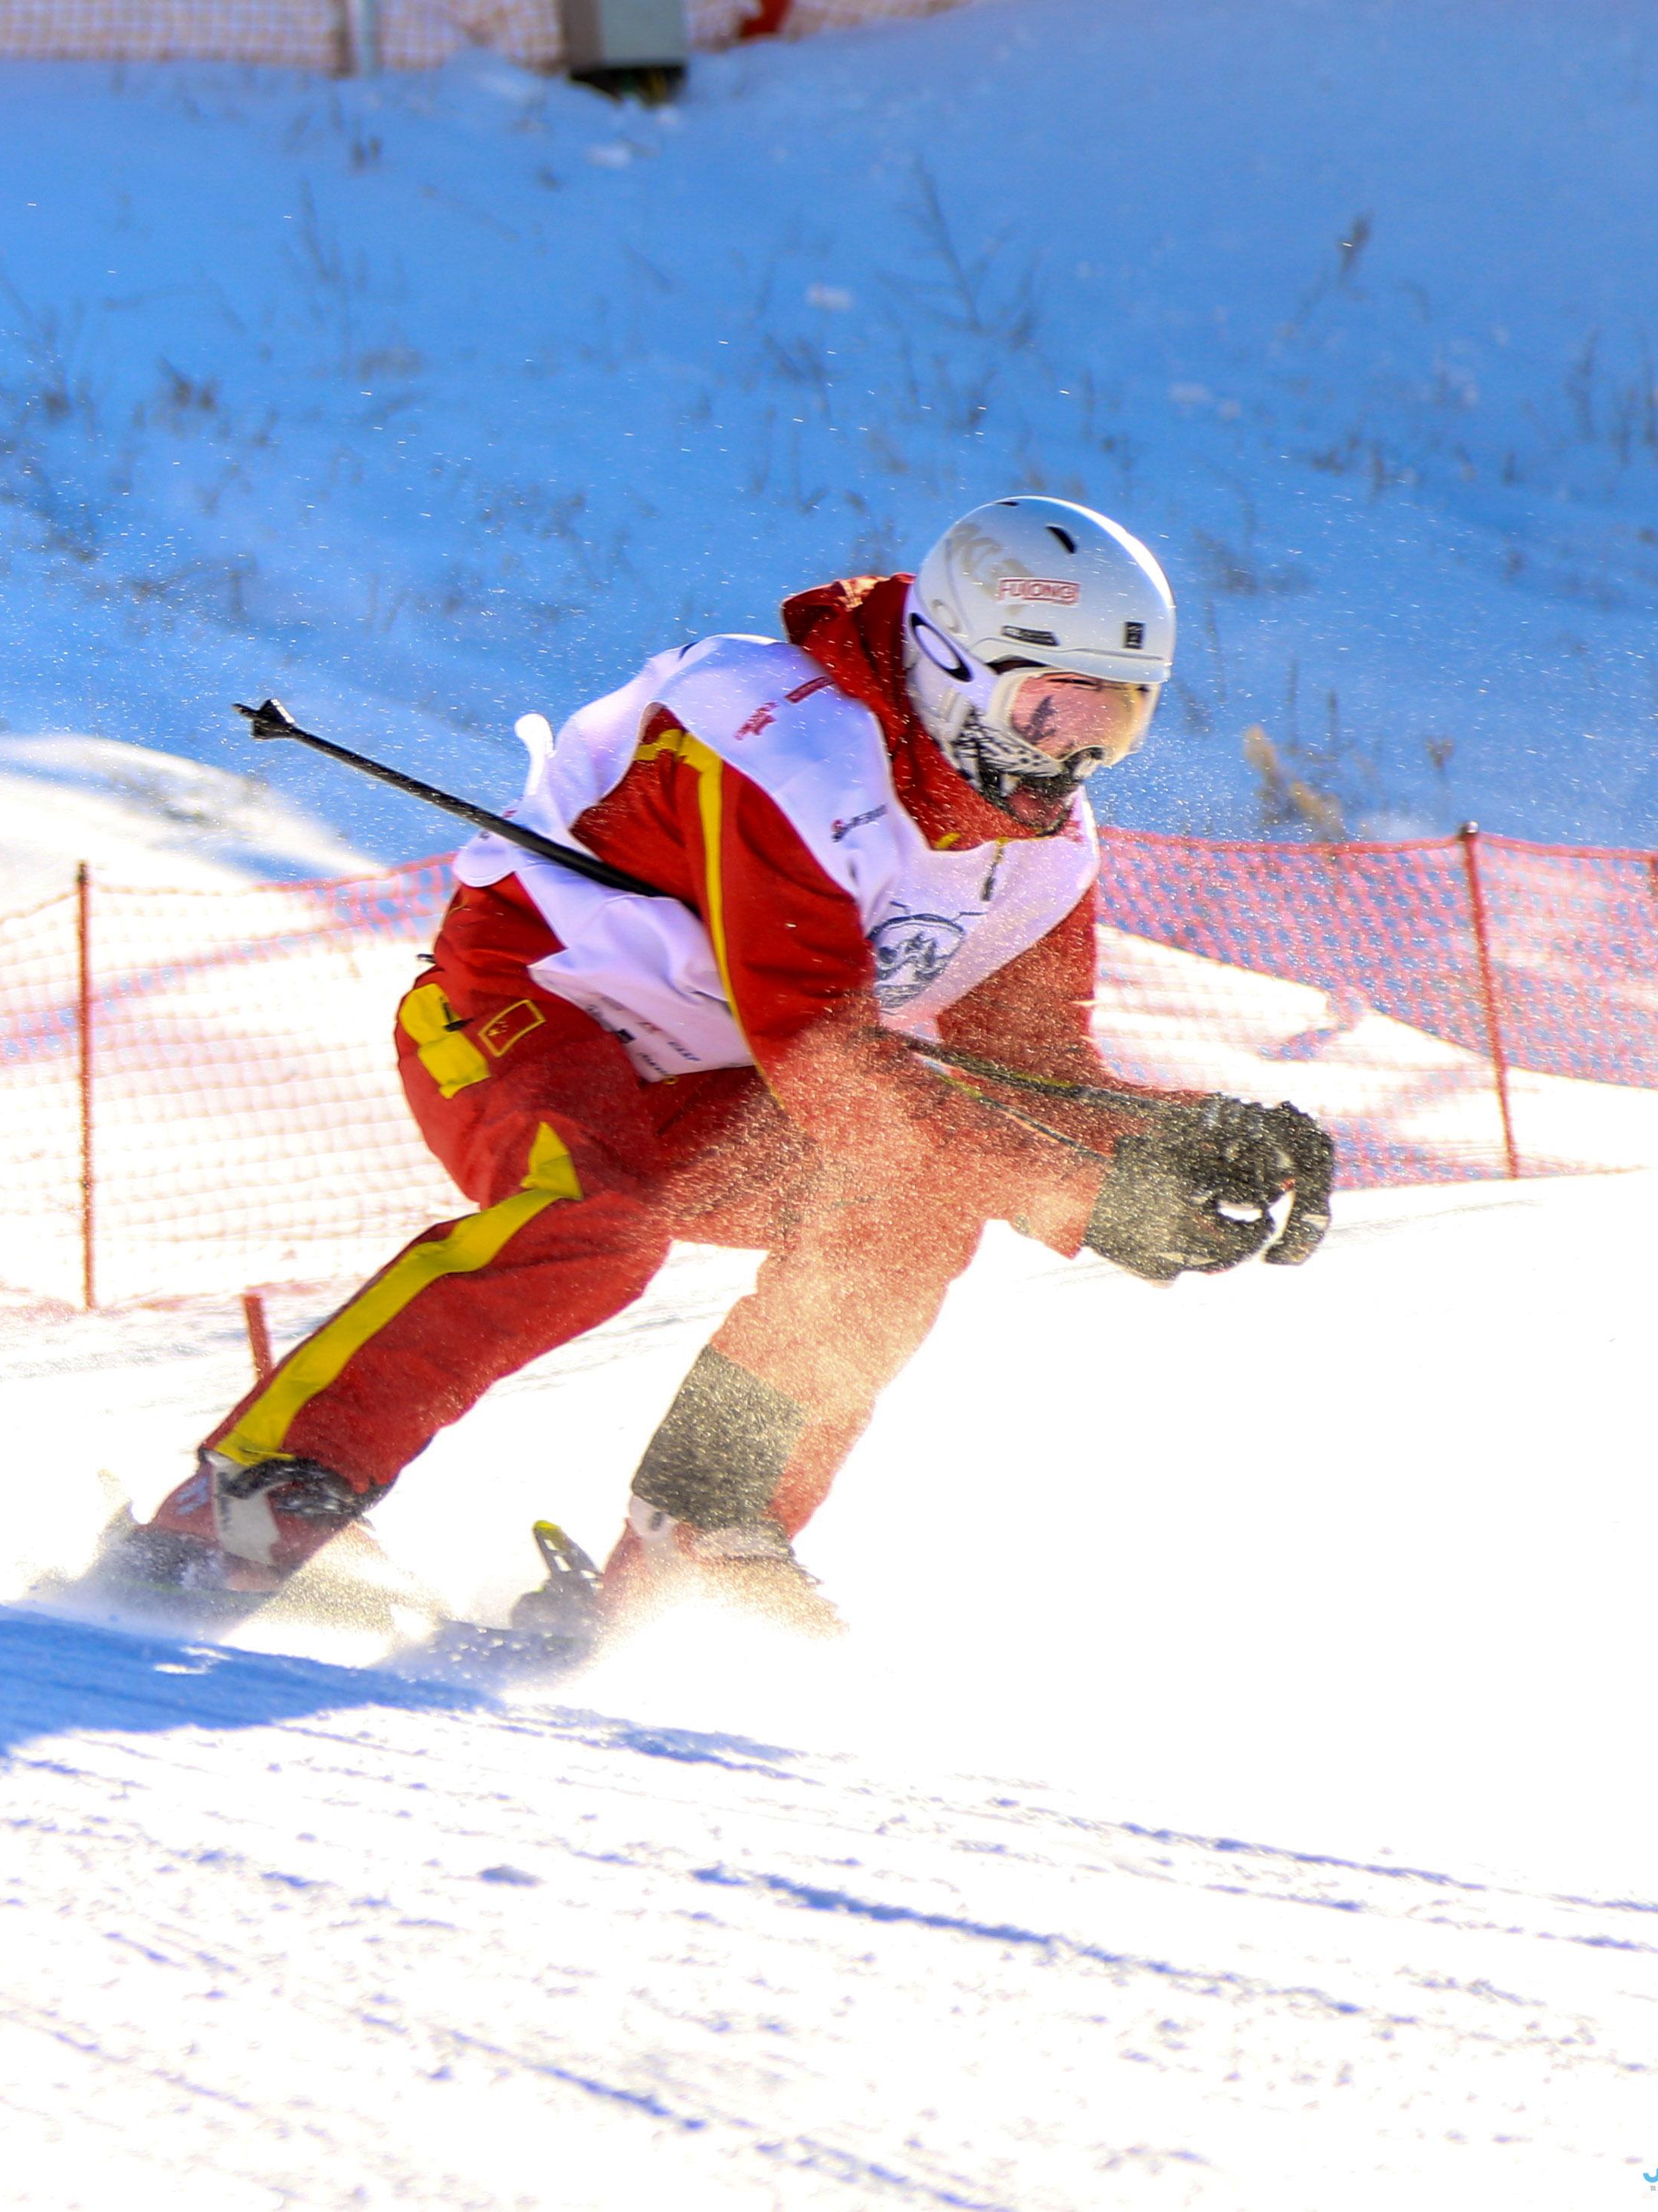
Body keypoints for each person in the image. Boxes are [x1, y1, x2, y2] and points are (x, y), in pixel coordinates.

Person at [101, 497, 1329, 1635]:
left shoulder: (1040, 850)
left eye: (1114, 720)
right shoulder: (784, 750)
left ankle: (704, 1525)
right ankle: (261, 1485)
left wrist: (1179, 1142)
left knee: (910, 1205)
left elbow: (1029, 1072)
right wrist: (1079, 1201)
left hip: (717, 1085)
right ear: (958, 665)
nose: (1071, 760)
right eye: (1050, 713)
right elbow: (831, 1059)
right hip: (523, 1010)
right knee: (601, 1221)